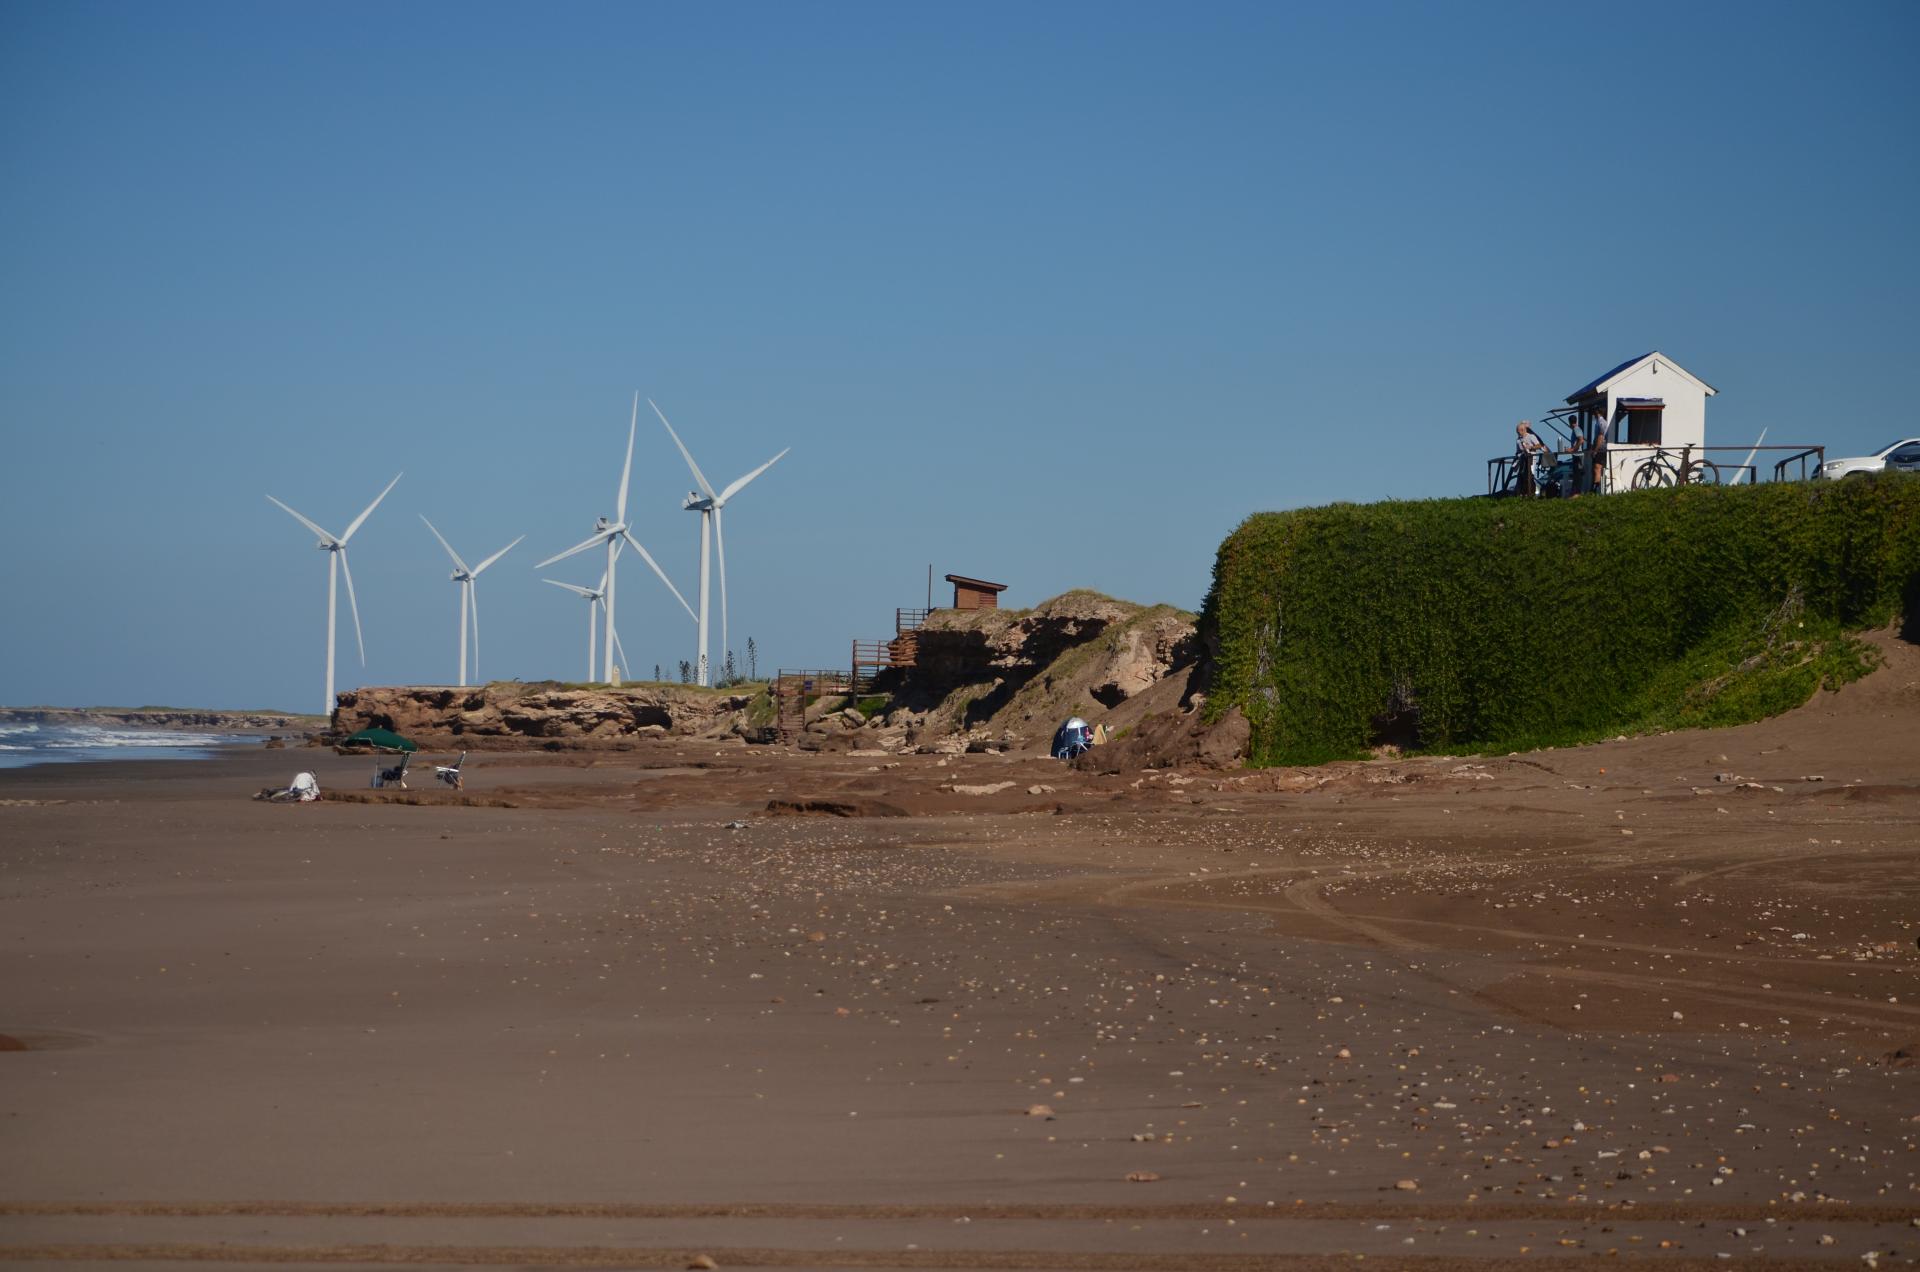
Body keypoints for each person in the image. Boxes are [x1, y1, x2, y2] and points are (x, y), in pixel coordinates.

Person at [1514, 421, 1547, 496]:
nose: (1518, 434)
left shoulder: (1531, 436)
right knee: (1522, 474)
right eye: (1517, 432)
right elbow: (1517, 450)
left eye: (1519, 432)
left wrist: (1531, 447)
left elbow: (1539, 445)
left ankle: (1531, 492)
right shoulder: (1518, 440)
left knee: (1530, 475)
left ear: (1523, 430)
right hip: (1522, 458)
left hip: (1531, 458)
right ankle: (1523, 492)